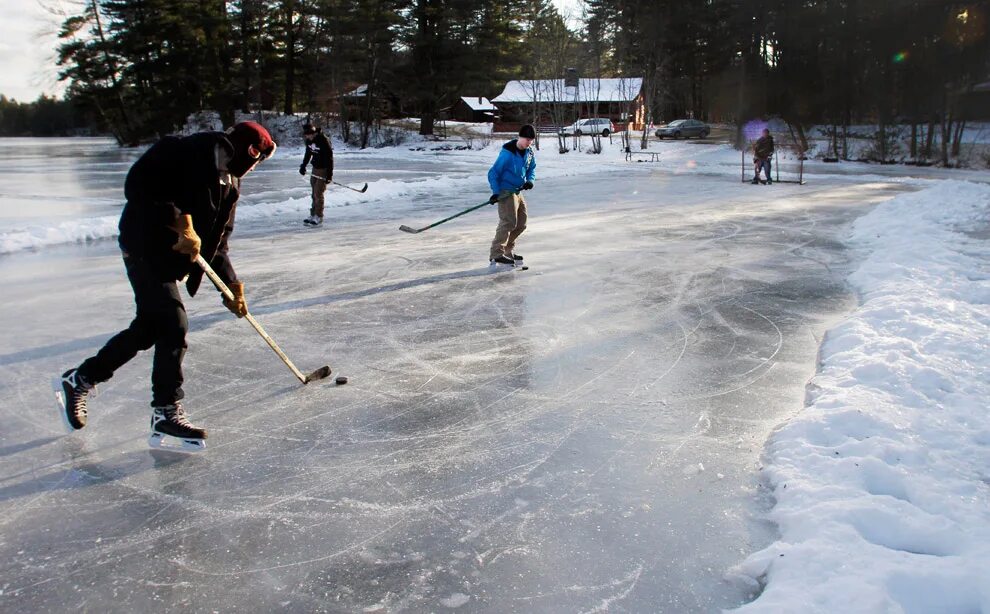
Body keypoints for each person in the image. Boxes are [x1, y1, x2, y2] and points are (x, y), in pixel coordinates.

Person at [56, 121, 277, 452]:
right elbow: (139, 185)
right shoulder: (185, 150)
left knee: (149, 327)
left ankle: (80, 380)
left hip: (169, 259)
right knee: (174, 322)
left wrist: (232, 288)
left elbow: (217, 244)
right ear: (248, 152)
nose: (254, 167)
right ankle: (166, 412)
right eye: (256, 159)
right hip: (144, 244)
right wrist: (179, 220)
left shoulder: (230, 184)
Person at [487, 124, 537, 266]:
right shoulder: (508, 153)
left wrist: (530, 180)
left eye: (531, 140)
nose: (529, 142)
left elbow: (532, 168)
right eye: (527, 139)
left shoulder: (529, 152)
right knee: (508, 222)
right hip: (506, 191)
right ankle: (496, 253)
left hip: (518, 191)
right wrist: (496, 192)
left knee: (521, 223)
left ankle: (508, 250)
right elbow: (493, 173)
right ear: (520, 137)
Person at [299, 123, 334, 226]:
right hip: (315, 169)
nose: (308, 137)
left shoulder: (323, 140)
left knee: (318, 193)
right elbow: (308, 153)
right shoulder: (308, 141)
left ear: (314, 133)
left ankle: (319, 216)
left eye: (310, 134)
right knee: (314, 193)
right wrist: (303, 165)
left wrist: (329, 175)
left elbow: (330, 158)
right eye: (306, 135)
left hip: (324, 169)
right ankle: (313, 214)